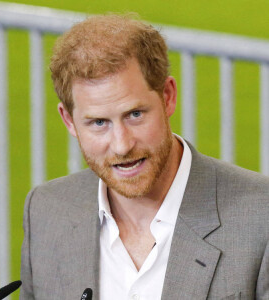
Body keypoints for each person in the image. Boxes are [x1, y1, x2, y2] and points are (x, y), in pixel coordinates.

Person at [20, 14, 269, 300]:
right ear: (69, 121)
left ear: (167, 96)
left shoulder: (261, 217)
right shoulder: (46, 211)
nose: (122, 145)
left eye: (135, 115)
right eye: (99, 123)